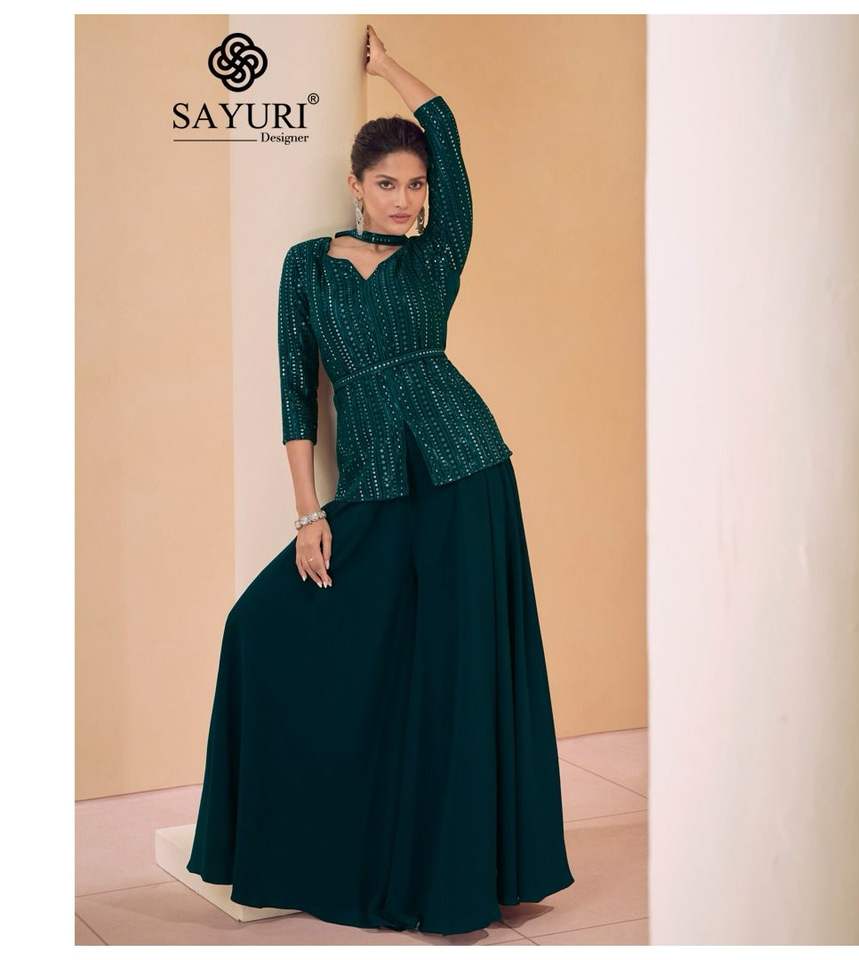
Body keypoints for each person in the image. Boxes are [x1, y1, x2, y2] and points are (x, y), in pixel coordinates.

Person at [185, 25, 575, 936]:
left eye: (417, 185)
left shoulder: (436, 256)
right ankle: (315, 849)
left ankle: (454, 881)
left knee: (453, 674)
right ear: (355, 184)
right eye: (389, 184)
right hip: (370, 486)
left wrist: (390, 68)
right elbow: (295, 390)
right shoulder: (306, 266)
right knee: (260, 627)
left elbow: (451, 142)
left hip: (466, 471)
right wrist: (307, 512)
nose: (407, 199)